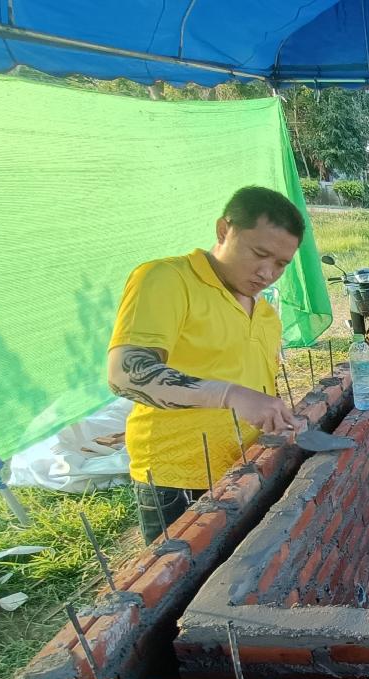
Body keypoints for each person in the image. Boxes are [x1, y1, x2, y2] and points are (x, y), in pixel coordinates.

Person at [107, 186, 301, 544]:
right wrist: (229, 395)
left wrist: (275, 415)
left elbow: (258, 385)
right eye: (260, 253)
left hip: (245, 467)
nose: (267, 272)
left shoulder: (265, 314)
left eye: (280, 264)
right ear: (224, 230)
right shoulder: (168, 279)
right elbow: (125, 373)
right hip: (179, 480)